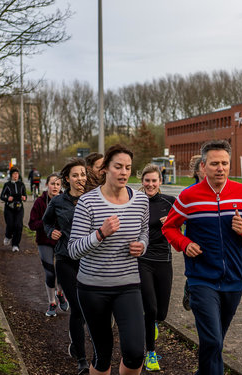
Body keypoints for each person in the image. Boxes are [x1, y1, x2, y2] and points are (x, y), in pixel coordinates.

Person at [162, 140, 242, 375]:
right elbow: (169, 228)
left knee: (214, 342)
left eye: (224, 163)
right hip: (201, 278)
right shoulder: (189, 197)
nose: (220, 168)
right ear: (204, 166)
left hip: (233, 279)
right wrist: (185, 243)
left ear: (230, 165)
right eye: (214, 163)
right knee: (213, 341)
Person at [68, 144, 149, 375]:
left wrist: (141, 246)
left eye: (128, 168)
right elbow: (73, 250)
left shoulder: (140, 201)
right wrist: (100, 234)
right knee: (102, 355)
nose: (124, 172)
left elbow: (144, 232)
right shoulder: (88, 202)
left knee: (135, 353)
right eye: (118, 167)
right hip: (93, 288)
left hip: (128, 285)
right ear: (105, 169)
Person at [42, 158, 89, 374]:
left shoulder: (92, 200)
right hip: (65, 260)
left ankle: (79, 346)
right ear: (67, 179)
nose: (80, 178)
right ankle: (81, 358)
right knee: (78, 308)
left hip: (89, 261)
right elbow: (46, 221)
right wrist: (51, 231)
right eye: (76, 175)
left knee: (92, 309)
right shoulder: (58, 202)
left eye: (83, 174)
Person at [138, 164, 175, 372]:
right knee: (150, 308)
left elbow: (185, 226)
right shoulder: (135, 201)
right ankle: (150, 353)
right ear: (142, 181)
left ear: (160, 182)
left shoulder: (169, 202)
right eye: (147, 180)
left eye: (154, 181)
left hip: (164, 259)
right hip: (143, 259)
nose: (150, 184)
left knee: (161, 313)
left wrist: (172, 222)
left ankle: (153, 324)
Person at [28, 172, 69, 317]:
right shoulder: (40, 202)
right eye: (52, 184)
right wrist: (48, 226)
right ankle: (52, 302)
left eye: (58, 184)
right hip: (44, 241)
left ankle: (60, 293)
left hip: (62, 242)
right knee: (50, 273)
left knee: (63, 272)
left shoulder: (66, 200)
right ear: (47, 185)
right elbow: (31, 224)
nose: (55, 187)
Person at [182, 154, 204, 311]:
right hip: (193, 241)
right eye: (202, 167)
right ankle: (190, 289)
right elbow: (179, 220)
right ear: (197, 171)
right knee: (196, 271)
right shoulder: (188, 192)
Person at [0, 167, 27, 252]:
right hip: (9, 208)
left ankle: (15, 245)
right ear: (11, 175)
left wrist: (24, 198)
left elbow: (25, 196)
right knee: (10, 224)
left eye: (17, 174)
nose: (16, 176)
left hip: (19, 208)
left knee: (18, 226)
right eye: (14, 174)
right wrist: (7, 198)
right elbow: (1, 196)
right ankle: (8, 236)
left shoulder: (21, 184)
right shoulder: (7, 185)